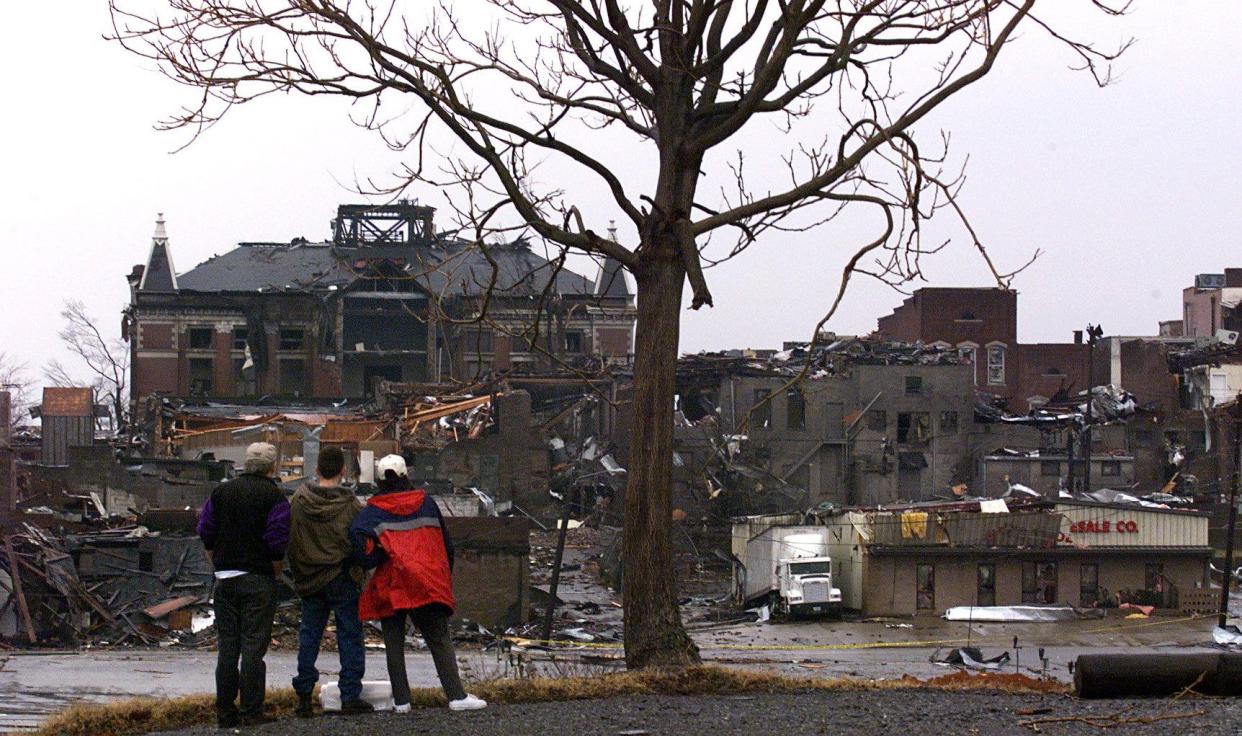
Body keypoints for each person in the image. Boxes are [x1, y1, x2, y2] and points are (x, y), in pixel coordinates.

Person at [350, 454, 486, 712]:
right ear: (405, 477)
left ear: (380, 482)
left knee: (393, 643)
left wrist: (379, 554)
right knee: (439, 639)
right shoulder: (426, 503)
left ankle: (402, 701)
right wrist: (443, 576)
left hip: (393, 582)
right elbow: (445, 545)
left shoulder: (372, 511)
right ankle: (456, 696)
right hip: (425, 580)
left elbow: (359, 545)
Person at [197, 442, 290, 728]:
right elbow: (277, 539)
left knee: (228, 648)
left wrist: (217, 562)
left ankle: (224, 711)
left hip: (225, 579)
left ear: (247, 464)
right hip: (258, 579)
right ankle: (251, 711)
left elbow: (205, 530)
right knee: (252, 647)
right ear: (272, 467)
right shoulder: (275, 496)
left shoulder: (222, 492)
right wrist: (276, 573)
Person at [287, 446, 373, 718]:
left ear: (316, 469)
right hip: (341, 577)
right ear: (343, 471)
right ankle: (350, 696)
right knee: (349, 635)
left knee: (309, 635)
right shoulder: (350, 505)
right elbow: (359, 542)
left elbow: (291, 538)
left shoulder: (299, 500)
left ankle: (303, 696)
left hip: (310, 578)